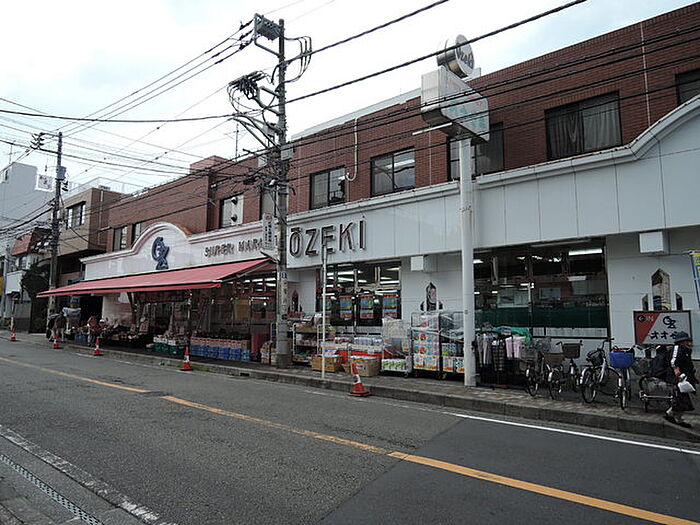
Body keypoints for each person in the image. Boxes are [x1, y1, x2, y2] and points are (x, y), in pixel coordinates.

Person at [664, 331, 697, 428]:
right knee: (681, 399)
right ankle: (674, 416)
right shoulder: (677, 348)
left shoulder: (686, 350)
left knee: (681, 399)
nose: (688, 342)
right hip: (678, 378)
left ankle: (672, 414)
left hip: (685, 377)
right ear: (681, 341)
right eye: (686, 341)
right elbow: (673, 361)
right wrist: (676, 370)